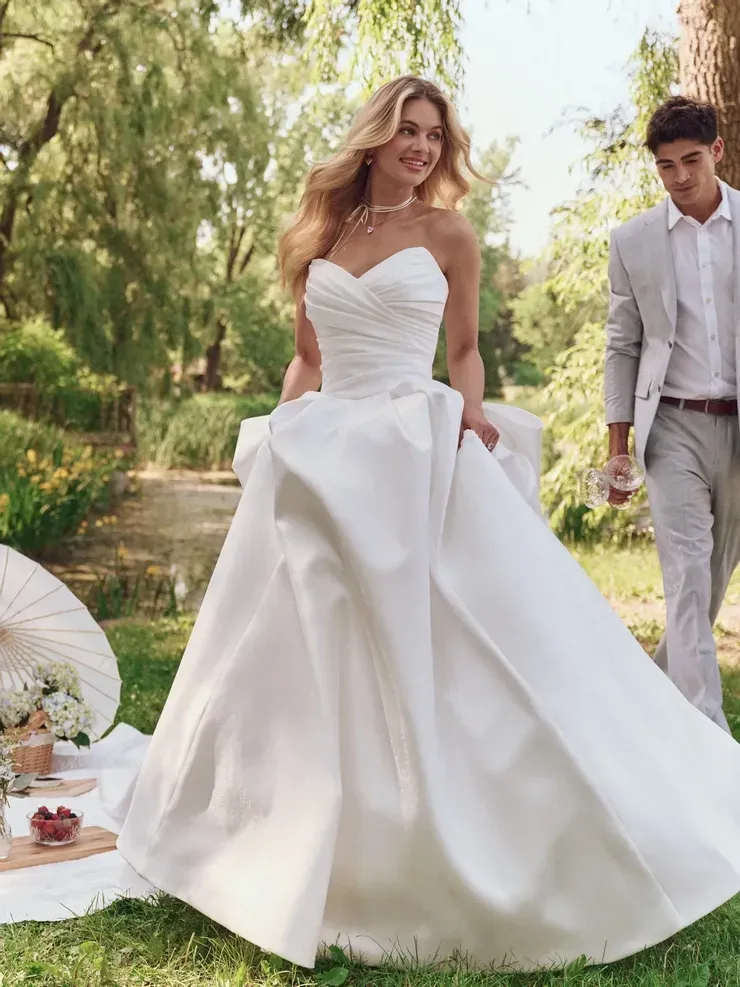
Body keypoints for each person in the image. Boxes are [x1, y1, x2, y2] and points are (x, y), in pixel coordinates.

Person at [117, 77, 740, 972]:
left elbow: (463, 351)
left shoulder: (447, 232)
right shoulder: (320, 236)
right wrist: (270, 442)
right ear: (373, 137)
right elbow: (306, 359)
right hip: (326, 448)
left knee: (456, 634)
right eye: (406, 130)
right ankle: (271, 836)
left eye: (433, 135)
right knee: (300, 631)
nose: (420, 146)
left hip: (415, 441)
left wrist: (474, 411)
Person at [605, 96, 740, 732]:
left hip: (737, 424)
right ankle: (706, 733)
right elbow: (623, 345)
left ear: (716, 151)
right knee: (686, 577)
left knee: (711, 580)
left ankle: (647, 702)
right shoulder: (633, 241)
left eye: (691, 160)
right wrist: (618, 446)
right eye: (666, 166)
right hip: (673, 428)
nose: (680, 176)